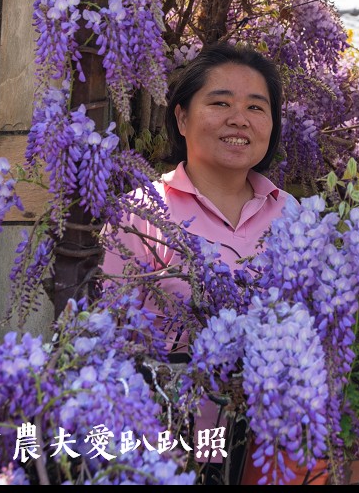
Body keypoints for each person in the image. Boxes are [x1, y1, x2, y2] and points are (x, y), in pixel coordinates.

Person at [100, 42, 291, 477]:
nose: (239, 119)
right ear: (182, 117)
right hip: (172, 454)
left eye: (256, 108)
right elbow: (113, 343)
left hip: (274, 452)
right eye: (220, 102)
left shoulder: (294, 215)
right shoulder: (139, 213)